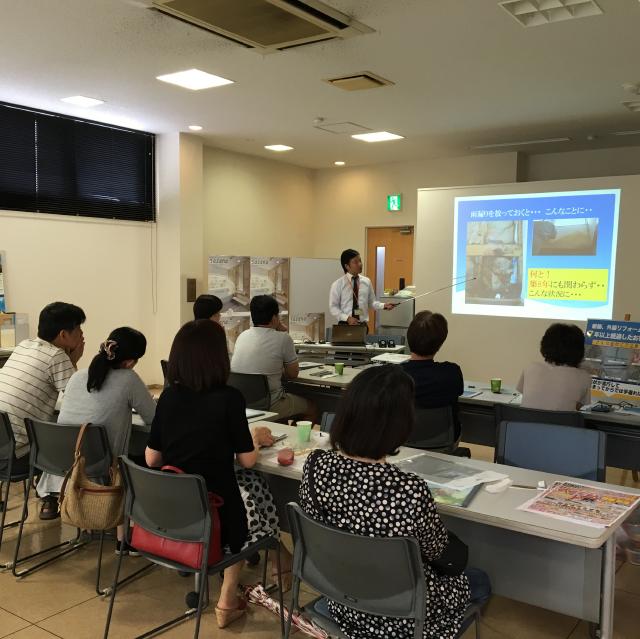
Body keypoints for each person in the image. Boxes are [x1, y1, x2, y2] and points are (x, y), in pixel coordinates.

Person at [299, 365, 491, 639]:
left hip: (342, 600)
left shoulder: (316, 464)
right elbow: (440, 554)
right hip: (407, 617)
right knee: (480, 580)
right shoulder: (409, 489)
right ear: (401, 425)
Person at [145, 320, 292, 629]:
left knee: (245, 488)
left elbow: (151, 457)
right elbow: (249, 461)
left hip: (172, 515)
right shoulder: (229, 398)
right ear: (218, 358)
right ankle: (229, 596)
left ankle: (278, 559)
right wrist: (253, 438)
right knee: (255, 490)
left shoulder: (168, 397)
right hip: (217, 516)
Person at [36, 327, 156, 527]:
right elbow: (153, 418)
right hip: (100, 467)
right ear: (130, 362)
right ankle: (129, 533)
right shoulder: (129, 379)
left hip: (64, 464)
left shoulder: (77, 376)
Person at [0, 302, 85, 517]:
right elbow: (78, 401)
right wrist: (73, 361)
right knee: (67, 437)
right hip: (16, 457)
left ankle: (47, 497)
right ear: (64, 334)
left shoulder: (24, 345)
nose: (82, 335)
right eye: (79, 329)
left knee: (49, 427)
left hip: (3, 446)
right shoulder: (57, 357)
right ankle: (51, 499)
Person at [231, 295, 314, 421]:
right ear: (275, 317)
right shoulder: (283, 338)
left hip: (243, 404)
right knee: (312, 408)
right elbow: (293, 374)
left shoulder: (242, 336)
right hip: (270, 404)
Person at [402, 310, 464, 440]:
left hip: (402, 443)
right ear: (440, 343)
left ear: (409, 338)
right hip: (444, 444)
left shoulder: (394, 376)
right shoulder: (452, 374)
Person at [517, 323, 591, 410]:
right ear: (580, 350)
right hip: (561, 423)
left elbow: (525, 394)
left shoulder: (531, 368)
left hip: (525, 423)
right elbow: (578, 406)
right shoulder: (584, 376)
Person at [329, 249, 395, 327]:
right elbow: (333, 307)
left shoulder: (366, 281)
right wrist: (347, 318)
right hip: (345, 325)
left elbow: (371, 303)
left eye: (360, 261)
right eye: (356, 262)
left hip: (362, 325)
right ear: (347, 266)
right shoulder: (338, 284)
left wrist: (383, 305)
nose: (360, 264)